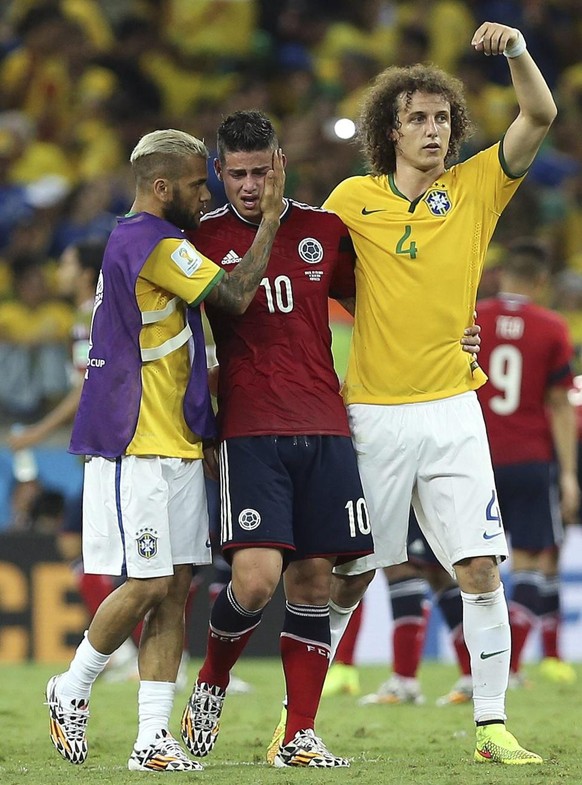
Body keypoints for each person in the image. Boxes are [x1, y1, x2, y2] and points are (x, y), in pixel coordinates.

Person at [178, 110, 481, 769]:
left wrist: (461, 329)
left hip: (326, 424)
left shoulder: (322, 229)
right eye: (238, 174)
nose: (252, 186)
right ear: (217, 172)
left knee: (316, 579)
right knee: (256, 581)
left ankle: (300, 735)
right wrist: (198, 419)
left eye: (263, 172)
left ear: (281, 162)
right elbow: (210, 313)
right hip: (251, 429)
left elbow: (390, 299)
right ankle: (213, 678)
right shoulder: (201, 238)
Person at [308, 21, 556, 766]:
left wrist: (515, 51)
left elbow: (540, 115)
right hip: (374, 414)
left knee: (480, 567)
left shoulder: (476, 187)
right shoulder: (352, 199)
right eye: (416, 117)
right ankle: (302, 722)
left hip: (453, 410)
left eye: (442, 118)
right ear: (389, 129)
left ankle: (490, 725)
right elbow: (312, 275)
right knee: (349, 578)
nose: (433, 130)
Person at [44, 127, 284, 772]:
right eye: (195, 185)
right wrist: (274, 221)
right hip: (136, 443)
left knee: (178, 589)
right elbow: (234, 298)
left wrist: (200, 428)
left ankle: (152, 739)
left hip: (174, 442)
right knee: (149, 581)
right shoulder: (149, 243)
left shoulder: (154, 242)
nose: (203, 195)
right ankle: (72, 685)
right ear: (160, 187)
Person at [475, 237, 579, 685]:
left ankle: (481, 664)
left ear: (501, 276)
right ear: (541, 280)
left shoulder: (472, 318)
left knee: (480, 564)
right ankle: (511, 667)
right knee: (533, 562)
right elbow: (559, 405)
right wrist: (569, 475)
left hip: (475, 457)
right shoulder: (554, 327)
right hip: (532, 461)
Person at [323, 511, 472, 707]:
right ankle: (475, 679)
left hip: (404, 487)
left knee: (403, 565)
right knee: (437, 571)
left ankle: (406, 681)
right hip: (431, 490)